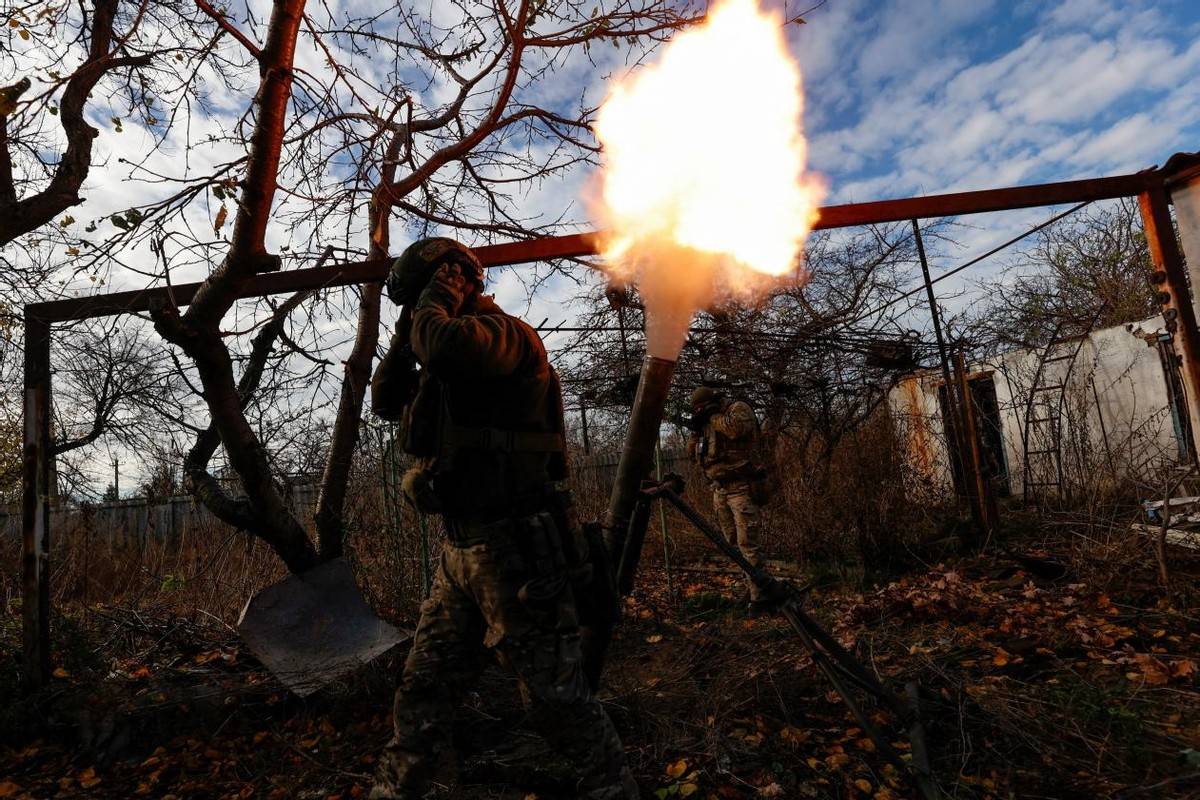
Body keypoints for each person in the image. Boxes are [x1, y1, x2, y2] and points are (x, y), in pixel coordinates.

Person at [368, 237, 637, 800]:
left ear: (452, 283)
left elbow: (442, 346)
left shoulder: (503, 335)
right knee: (423, 691)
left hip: (516, 550)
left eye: (425, 297)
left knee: (555, 704)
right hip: (462, 554)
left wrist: (436, 298)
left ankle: (615, 788)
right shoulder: (441, 348)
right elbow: (386, 398)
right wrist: (402, 332)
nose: (419, 312)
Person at [687, 386, 771, 612]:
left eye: (701, 408)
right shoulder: (706, 423)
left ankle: (761, 597)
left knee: (748, 544)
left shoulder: (737, 410)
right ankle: (751, 589)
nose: (700, 412)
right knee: (733, 544)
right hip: (720, 490)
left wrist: (713, 416)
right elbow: (692, 454)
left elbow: (735, 431)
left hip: (742, 487)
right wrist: (695, 431)